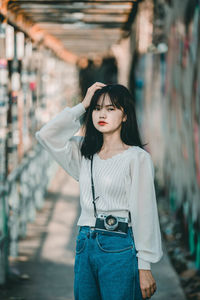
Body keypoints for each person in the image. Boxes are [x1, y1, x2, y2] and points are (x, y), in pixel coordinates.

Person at [35, 82, 163, 300]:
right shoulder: (83, 152)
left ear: (125, 116)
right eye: (97, 108)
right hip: (85, 243)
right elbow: (46, 135)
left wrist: (145, 266)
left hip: (120, 245)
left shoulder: (137, 158)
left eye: (111, 109)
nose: (102, 114)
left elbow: (145, 212)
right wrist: (83, 105)